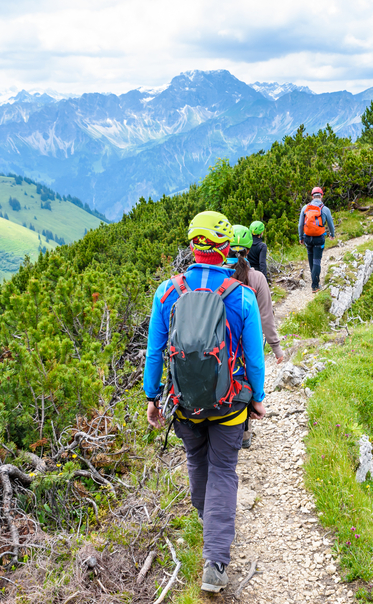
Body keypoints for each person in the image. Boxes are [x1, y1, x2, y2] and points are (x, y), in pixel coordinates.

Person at [144, 211, 267, 593]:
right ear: (226, 248)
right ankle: (215, 562)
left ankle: (206, 516)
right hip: (230, 405)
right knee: (224, 470)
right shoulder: (242, 295)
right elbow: (255, 355)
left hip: (185, 403)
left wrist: (152, 396)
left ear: (193, 246)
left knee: (197, 460)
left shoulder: (167, 292)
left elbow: (155, 351)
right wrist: (258, 399)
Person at [228, 224, 284, 449]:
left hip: (225, 343)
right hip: (249, 341)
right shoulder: (258, 278)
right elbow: (267, 317)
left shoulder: (221, 274)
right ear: (249, 248)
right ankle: (245, 432)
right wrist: (276, 348)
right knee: (248, 380)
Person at [298, 186, 335, 293]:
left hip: (307, 237)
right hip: (319, 238)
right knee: (317, 260)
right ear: (321, 196)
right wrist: (332, 234)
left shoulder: (305, 208)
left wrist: (301, 237)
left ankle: (314, 280)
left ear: (312, 195)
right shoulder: (325, 209)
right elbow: (331, 225)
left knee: (311, 258)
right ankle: (315, 285)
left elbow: (300, 224)